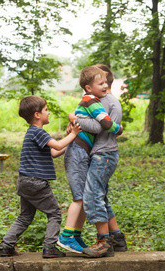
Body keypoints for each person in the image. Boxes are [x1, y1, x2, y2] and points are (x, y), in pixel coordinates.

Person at [0, 95, 82, 258]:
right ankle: (50, 247)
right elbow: (57, 145)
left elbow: (53, 152)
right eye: (46, 110)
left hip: (24, 181)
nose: (48, 113)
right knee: (55, 214)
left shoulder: (33, 133)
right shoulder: (38, 132)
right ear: (37, 115)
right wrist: (75, 134)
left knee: (25, 216)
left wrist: (71, 140)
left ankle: (6, 246)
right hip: (36, 182)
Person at [57, 65, 123, 254]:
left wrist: (74, 117)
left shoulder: (106, 102)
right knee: (98, 195)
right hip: (99, 153)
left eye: (102, 81)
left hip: (104, 155)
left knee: (92, 196)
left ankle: (104, 242)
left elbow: (100, 126)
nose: (100, 85)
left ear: (105, 82)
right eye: (98, 82)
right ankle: (116, 238)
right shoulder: (99, 101)